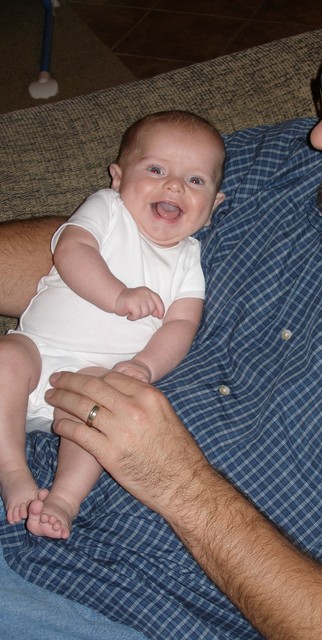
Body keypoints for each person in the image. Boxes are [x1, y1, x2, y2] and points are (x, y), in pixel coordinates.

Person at [0, 0, 322, 638]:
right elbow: (109, 243)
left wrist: (181, 486)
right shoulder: (285, 165)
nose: (318, 137)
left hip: (130, 615)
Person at [0, 110, 225, 539]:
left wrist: (145, 366)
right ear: (118, 179)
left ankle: (65, 499)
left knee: (104, 413)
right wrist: (117, 296)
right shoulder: (107, 208)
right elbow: (73, 249)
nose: (174, 185)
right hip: (36, 352)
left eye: (196, 180)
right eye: (156, 170)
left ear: (212, 207)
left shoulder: (188, 260)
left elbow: (182, 323)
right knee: (5, 356)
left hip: (93, 377)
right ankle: (12, 473)